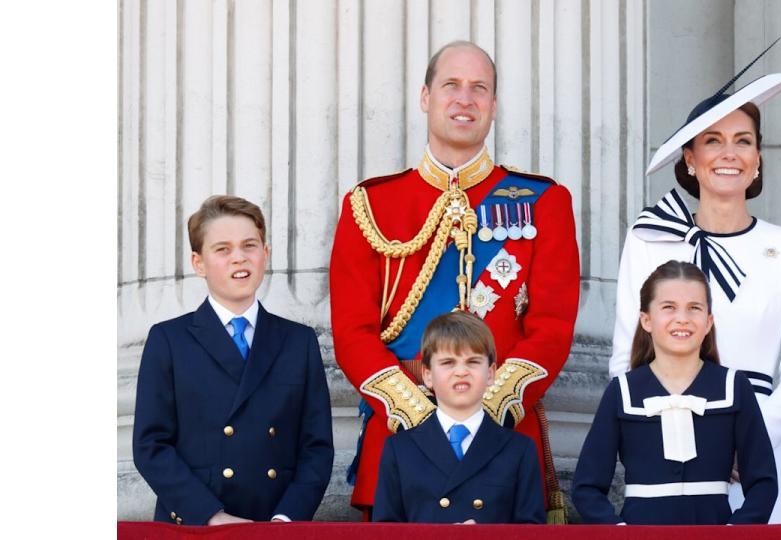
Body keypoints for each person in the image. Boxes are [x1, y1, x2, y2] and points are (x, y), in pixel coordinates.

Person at [330, 40, 579, 521]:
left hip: (504, 441)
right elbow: (351, 331)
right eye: (451, 86)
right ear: (426, 97)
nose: (465, 99)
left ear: (493, 105)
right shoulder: (369, 205)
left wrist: (485, 405)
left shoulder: (544, 200)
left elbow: (551, 326)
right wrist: (421, 415)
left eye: (479, 88)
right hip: (400, 435)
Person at [608, 68, 781, 523]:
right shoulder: (650, 240)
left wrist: (753, 440)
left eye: (743, 140)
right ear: (689, 157)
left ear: (758, 157)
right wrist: (652, 441)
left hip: (759, 452)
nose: (730, 153)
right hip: (667, 448)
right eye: (713, 140)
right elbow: (625, 359)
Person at [132, 195, 334, 525]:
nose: (239, 258)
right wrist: (212, 517)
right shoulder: (169, 340)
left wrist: (286, 520)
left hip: (273, 525)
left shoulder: (299, 342)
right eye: (222, 249)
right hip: (195, 525)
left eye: (249, 246)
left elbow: (317, 447)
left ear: (265, 254)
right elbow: (151, 446)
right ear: (199, 263)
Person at [575, 260, 776, 524]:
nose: (682, 318)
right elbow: (587, 487)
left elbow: (764, 483)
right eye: (669, 307)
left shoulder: (734, 387)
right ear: (646, 319)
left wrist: (735, 531)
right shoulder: (622, 391)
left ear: (708, 321)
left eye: (695, 308)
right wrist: (619, 530)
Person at [372, 311, 545, 523]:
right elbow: (384, 532)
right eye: (448, 363)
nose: (461, 371)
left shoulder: (519, 450)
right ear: (427, 375)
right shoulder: (399, 449)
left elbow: (532, 533)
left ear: (491, 373)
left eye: (473, 362)